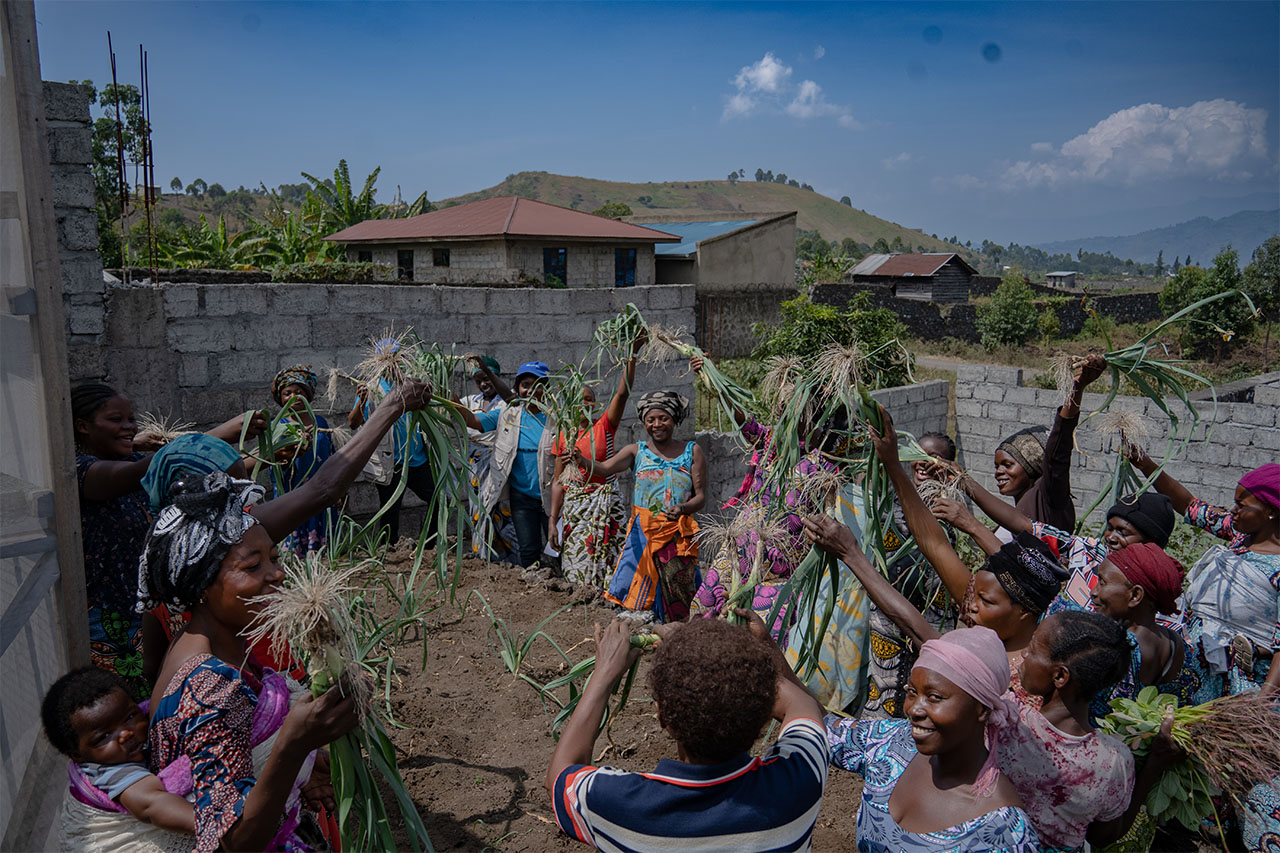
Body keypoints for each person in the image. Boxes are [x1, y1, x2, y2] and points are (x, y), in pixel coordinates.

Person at [140, 473, 359, 853]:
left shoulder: (212, 643)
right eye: (252, 566)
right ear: (201, 585)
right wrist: (293, 746)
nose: (277, 574)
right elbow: (232, 840)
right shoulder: (209, 684)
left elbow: (235, 750)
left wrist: (303, 766)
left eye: (274, 558)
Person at [841, 403, 1069, 704]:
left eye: (985, 601)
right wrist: (893, 464)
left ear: (1025, 612)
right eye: (973, 596)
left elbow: (919, 628)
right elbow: (933, 544)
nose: (968, 608)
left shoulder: (1036, 677)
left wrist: (853, 556)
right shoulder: (994, 618)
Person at [546, 613, 828, 851]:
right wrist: (742, 655)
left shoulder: (623, 805)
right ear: (766, 716)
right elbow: (802, 704)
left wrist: (604, 673)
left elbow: (561, 774)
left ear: (661, 716)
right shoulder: (799, 782)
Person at [71, 382, 263, 700]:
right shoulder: (79, 472)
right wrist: (221, 435)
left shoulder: (135, 461)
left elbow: (198, 474)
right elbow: (157, 466)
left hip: (153, 609)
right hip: (112, 619)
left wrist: (261, 456)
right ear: (83, 426)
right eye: (116, 419)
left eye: (131, 419)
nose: (129, 427)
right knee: (131, 706)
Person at [1131, 456, 1280, 851]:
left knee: (1246, 774)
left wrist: (1261, 706)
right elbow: (1189, 504)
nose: (1233, 510)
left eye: (1242, 504)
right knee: (1188, 763)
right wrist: (1144, 463)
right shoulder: (1238, 534)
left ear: (1270, 512)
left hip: (1245, 687)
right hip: (1199, 670)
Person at [826, 626, 1038, 851]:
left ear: (983, 710)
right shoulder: (893, 741)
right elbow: (820, 728)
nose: (913, 709)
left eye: (934, 697)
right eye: (912, 692)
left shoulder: (1003, 832)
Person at [996, 610, 1183, 851]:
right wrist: (1155, 763)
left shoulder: (1006, 720)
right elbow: (1103, 837)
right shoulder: (1113, 761)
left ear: (1060, 676)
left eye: (1032, 650)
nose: (1024, 654)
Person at [689, 354, 841, 642]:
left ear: (813, 417)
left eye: (796, 411)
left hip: (784, 564)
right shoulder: (769, 443)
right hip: (742, 549)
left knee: (764, 628)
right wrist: (714, 378)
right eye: (782, 410)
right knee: (709, 606)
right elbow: (741, 419)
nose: (785, 416)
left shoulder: (824, 462)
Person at [938, 483, 1177, 616]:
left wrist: (973, 525)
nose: (1111, 538)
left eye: (1123, 532)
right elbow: (1026, 526)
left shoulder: (1159, 588)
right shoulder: (1090, 550)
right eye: (1110, 528)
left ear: (1152, 542)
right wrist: (966, 482)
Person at [578, 391, 706, 622]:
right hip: (643, 534)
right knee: (638, 586)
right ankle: (644, 626)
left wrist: (683, 508)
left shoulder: (691, 451)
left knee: (679, 587)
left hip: (676, 533)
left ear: (675, 420)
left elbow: (701, 497)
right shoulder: (636, 452)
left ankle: (678, 627)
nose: (657, 424)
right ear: (644, 422)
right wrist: (581, 460)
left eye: (663, 418)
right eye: (651, 419)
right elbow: (605, 469)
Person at [43, 667, 194, 848]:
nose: (125, 734)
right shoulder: (110, 772)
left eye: (129, 717)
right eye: (104, 737)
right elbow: (151, 805)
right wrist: (212, 824)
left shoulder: (146, 718)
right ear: (77, 755)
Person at [549, 337, 641, 589]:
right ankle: (580, 602)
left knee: (612, 562)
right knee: (576, 561)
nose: (585, 404)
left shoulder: (604, 426)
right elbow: (557, 482)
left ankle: (608, 603)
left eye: (590, 399)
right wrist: (552, 520)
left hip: (605, 503)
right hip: (576, 509)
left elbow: (623, 393)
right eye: (580, 399)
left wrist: (633, 353)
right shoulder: (563, 435)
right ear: (569, 404)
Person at [988, 354, 1106, 541]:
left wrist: (1077, 388)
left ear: (1032, 465)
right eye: (997, 466)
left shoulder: (1048, 498)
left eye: (1007, 465)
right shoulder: (1018, 509)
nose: (998, 472)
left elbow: (1058, 452)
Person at [455, 361, 556, 567]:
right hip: (522, 497)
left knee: (557, 547)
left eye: (538, 385)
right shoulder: (508, 414)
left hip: (551, 497)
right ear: (518, 388)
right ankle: (533, 584)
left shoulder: (556, 418)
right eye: (525, 385)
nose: (531, 391)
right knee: (528, 549)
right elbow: (473, 421)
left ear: (546, 389)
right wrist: (448, 397)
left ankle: (560, 582)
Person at [348, 338, 436, 546]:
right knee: (390, 510)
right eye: (388, 360)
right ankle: (388, 549)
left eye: (398, 359)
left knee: (438, 500)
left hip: (417, 460)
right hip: (391, 462)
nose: (394, 364)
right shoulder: (372, 388)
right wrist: (362, 401)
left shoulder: (412, 384)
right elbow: (353, 423)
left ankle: (429, 545)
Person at [268, 365, 336, 557]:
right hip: (292, 492)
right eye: (287, 393)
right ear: (280, 398)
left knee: (322, 550)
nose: (293, 397)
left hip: (321, 492)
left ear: (308, 395)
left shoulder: (320, 423)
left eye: (299, 392)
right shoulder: (277, 427)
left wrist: (340, 489)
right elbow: (271, 463)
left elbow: (332, 456)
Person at [460, 355, 518, 564]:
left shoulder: (506, 403)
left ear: (496, 376)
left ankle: (512, 560)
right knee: (478, 509)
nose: (484, 384)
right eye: (479, 381)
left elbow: (475, 422)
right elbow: (455, 409)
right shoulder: (470, 401)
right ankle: (483, 558)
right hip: (475, 467)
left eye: (487, 378)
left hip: (497, 464)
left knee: (499, 509)